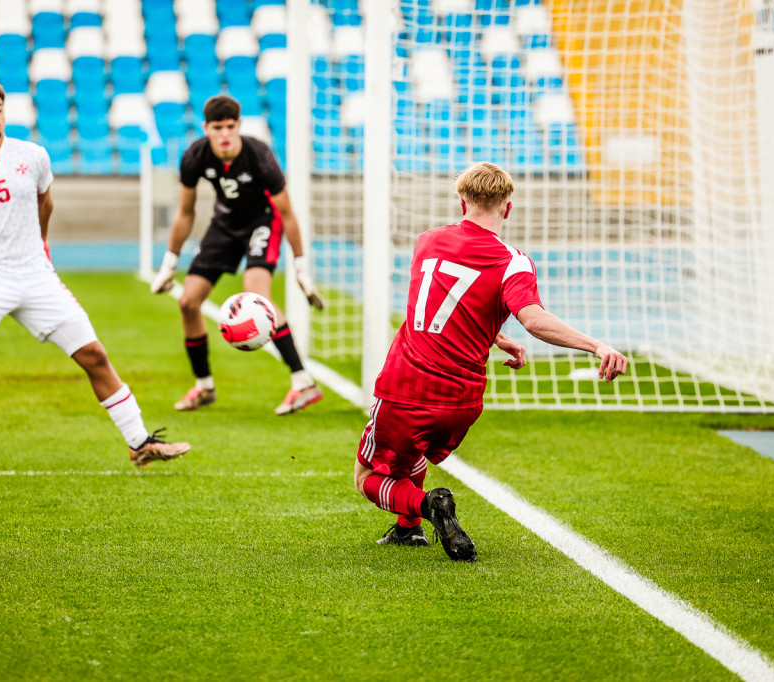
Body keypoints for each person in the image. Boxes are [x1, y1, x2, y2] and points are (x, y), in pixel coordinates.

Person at [0, 77, 189, 469]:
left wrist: (42, 248)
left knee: (93, 354)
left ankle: (139, 442)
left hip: (35, 274)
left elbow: (45, 204)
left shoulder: (33, 156)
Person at [355, 162, 627, 562]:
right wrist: (595, 345)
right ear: (508, 207)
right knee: (413, 453)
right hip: (462, 402)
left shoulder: (427, 241)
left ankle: (426, 507)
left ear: (462, 200)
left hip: (406, 386)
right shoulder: (513, 261)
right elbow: (531, 319)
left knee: (367, 476)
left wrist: (498, 336)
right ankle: (407, 530)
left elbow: (437, 305)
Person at [150, 95, 325, 415]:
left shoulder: (259, 155)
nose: (225, 134)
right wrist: (169, 263)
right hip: (224, 224)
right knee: (188, 301)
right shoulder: (195, 156)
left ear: (239, 126)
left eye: (231, 126)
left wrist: (301, 269)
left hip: (263, 221)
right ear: (206, 128)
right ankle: (203, 386)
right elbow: (185, 212)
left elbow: (286, 213)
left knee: (259, 298)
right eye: (218, 127)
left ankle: (303, 383)